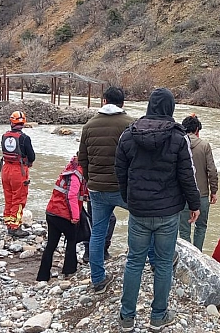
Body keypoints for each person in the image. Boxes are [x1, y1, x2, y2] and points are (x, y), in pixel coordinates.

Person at [115, 87, 201, 332]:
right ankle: (158, 316)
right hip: (167, 212)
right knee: (163, 264)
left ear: (149, 106)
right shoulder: (178, 136)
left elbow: (120, 172)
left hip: (139, 211)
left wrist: (128, 198)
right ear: (170, 108)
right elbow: (187, 176)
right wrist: (194, 204)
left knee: (134, 262)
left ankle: (127, 317)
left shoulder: (129, 135)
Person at [78, 86, 133, 290]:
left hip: (97, 189)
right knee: (138, 227)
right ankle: (141, 268)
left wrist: (91, 180)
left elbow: (82, 159)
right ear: (122, 103)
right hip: (124, 188)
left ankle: (98, 279)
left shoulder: (89, 125)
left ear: (104, 101)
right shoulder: (130, 124)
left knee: (97, 233)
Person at [37, 156, 86, 281]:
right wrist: (75, 217)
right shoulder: (77, 175)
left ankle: (42, 276)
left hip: (52, 212)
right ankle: (69, 271)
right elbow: (71, 196)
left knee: (51, 245)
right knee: (71, 240)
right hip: (64, 216)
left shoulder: (68, 170)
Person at [178, 114, 218, 251]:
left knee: (184, 230)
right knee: (201, 227)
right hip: (201, 194)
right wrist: (214, 191)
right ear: (197, 130)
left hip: (182, 195)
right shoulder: (204, 146)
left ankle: (186, 256)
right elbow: (212, 171)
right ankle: (198, 254)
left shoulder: (178, 143)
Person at [1, 111, 36, 238]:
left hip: (6, 169)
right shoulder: (24, 138)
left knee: (8, 197)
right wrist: (29, 162)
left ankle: (9, 223)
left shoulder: (4, 136)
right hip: (19, 171)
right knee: (19, 198)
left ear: (12, 122)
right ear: (23, 122)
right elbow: (31, 156)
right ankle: (15, 227)